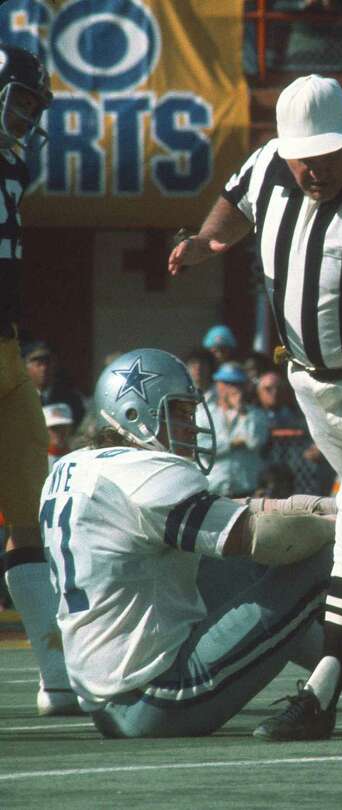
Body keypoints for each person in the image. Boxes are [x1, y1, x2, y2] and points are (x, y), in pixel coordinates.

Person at [168, 74, 342, 740]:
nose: (315, 169)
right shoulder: (268, 167)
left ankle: (320, 693)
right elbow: (234, 203)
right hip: (310, 385)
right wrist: (210, 242)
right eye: (304, 156)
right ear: (283, 148)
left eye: (328, 153)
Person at [43, 348, 342, 738]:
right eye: (180, 413)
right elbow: (269, 539)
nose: (191, 425)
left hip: (110, 699)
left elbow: (234, 511)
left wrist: (332, 507)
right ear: (134, 414)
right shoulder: (144, 474)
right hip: (161, 696)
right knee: (321, 562)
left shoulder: (74, 467)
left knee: (223, 564)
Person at [0, 44, 72, 718]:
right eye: (20, 98)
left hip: (8, 352)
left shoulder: (15, 163)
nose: (27, 115)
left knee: (31, 513)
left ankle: (55, 673)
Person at [208, 362, 269, 497]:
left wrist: (242, 413)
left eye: (237, 384)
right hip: (213, 488)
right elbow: (202, 449)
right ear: (217, 385)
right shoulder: (204, 414)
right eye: (226, 383)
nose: (232, 388)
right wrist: (232, 444)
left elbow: (255, 442)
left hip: (245, 489)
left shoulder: (255, 414)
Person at [23, 340, 86, 428]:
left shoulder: (71, 399)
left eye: (48, 363)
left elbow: (80, 430)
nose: (44, 368)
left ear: (55, 365)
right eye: (38, 364)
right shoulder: (18, 400)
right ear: (25, 368)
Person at [44, 402, 75, 468]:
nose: (59, 432)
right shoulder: (35, 461)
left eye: (63, 428)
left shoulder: (79, 457)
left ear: (70, 429)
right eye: (54, 428)